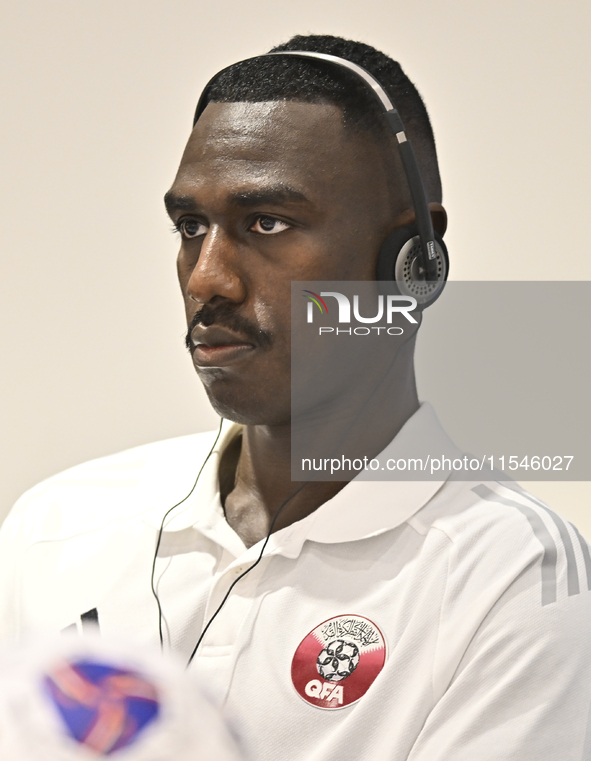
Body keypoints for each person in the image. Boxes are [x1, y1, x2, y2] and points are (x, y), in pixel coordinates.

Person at [0, 34, 590, 760]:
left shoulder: (509, 577)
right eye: (190, 227)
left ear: (411, 263)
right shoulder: (56, 526)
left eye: (266, 224)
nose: (205, 279)